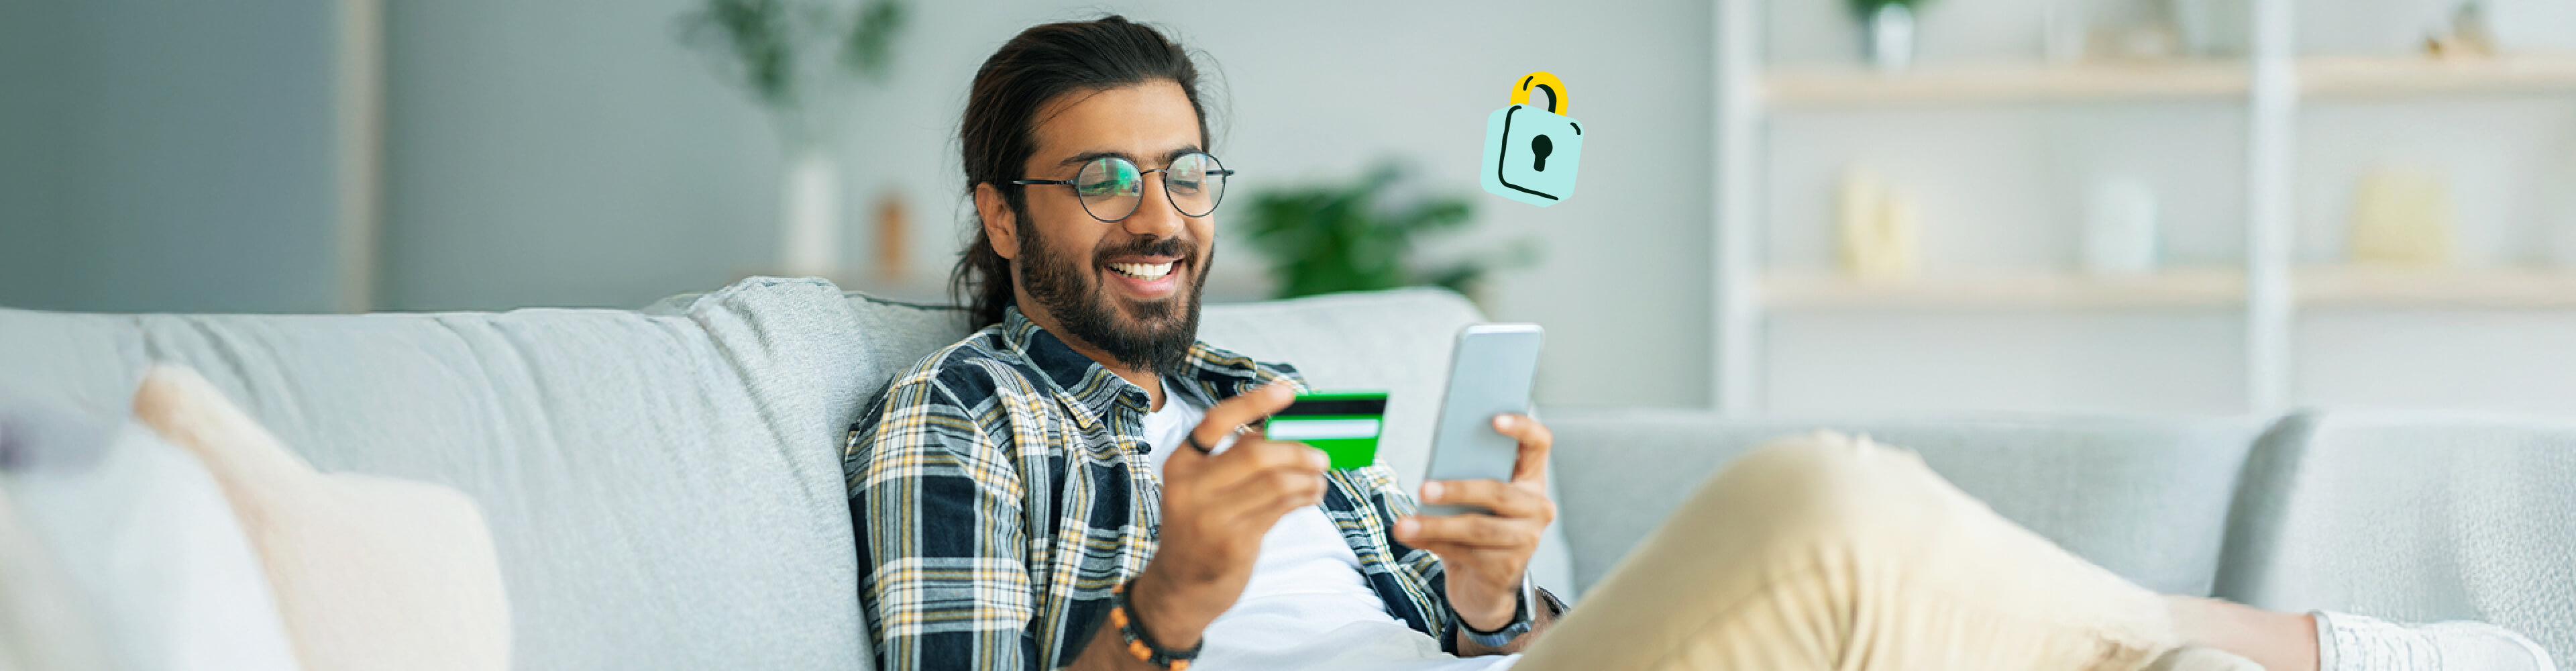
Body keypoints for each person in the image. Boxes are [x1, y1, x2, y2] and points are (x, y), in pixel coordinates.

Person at [841, 15, 2557, 671]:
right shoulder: (961, 415)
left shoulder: (1257, 389)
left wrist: (1500, 589)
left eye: (1186, 169)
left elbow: (1460, 630)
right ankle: (2313, 649)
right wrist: (1169, 607)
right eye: (1106, 178)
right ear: (1005, 217)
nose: (1162, 213)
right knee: (1819, 505)